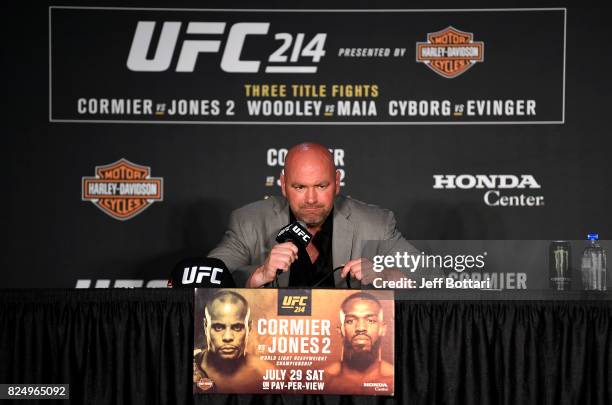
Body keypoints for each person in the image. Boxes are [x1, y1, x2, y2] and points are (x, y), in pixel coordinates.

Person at [208, 142, 420, 287]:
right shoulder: (249, 222)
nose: (311, 199)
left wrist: (384, 275)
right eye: (299, 187)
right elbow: (206, 278)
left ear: (337, 182)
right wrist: (259, 275)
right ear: (283, 185)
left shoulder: (375, 224)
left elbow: (429, 278)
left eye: (321, 186)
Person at [193, 290, 270, 393]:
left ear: (249, 327)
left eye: (237, 327)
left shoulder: (267, 374)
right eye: (219, 327)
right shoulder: (188, 367)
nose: (228, 337)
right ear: (206, 326)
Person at [324, 292, 393, 394]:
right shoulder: (323, 381)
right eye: (350, 321)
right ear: (340, 330)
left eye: (371, 321)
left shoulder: (394, 380)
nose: (361, 328)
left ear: (382, 329)